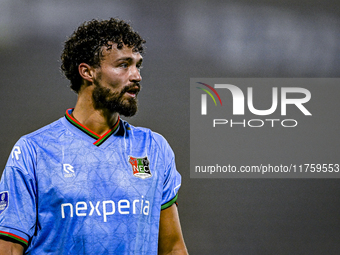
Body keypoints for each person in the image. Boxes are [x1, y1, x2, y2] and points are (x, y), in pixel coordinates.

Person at [0, 18, 188, 255]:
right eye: (123, 65)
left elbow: (172, 248)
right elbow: (8, 248)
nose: (136, 76)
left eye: (138, 65)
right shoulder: (33, 151)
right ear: (87, 71)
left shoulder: (153, 148)